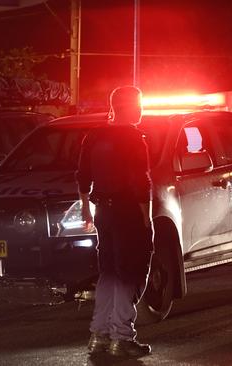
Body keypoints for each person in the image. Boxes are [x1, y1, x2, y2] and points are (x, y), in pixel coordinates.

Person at [77, 86, 154, 357]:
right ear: (129, 106)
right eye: (139, 104)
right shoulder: (134, 138)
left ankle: (99, 336)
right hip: (127, 212)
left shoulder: (95, 135)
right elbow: (139, 181)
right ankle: (121, 337)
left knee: (108, 272)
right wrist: (145, 215)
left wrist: (86, 207)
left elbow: (83, 175)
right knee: (130, 271)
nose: (141, 109)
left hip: (103, 214)